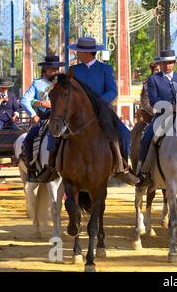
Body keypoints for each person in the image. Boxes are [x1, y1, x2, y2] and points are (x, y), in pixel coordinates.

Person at [36, 37, 139, 185]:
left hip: (102, 111)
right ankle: (51, 167)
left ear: (87, 53)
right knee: (55, 132)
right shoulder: (73, 70)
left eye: (79, 51)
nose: (77, 54)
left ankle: (123, 168)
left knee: (124, 133)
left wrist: (99, 103)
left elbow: (112, 91)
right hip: (76, 114)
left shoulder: (105, 69)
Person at [136, 49, 177, 183]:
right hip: (162, 117)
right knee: (146, 138)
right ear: (160, 63)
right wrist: (172, 107)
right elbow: (154, 101)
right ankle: (143, 171)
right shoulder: (153, 79)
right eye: (165, 63)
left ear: (175, 63)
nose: (167, 66)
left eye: (170, 63)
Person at [20, 55, 64, 182]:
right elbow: (24, 100)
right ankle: (32, 170)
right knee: (29, 139)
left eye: (57, 69)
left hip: (62, 118)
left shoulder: (63, 83)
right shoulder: (37, 83)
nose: (55, 72)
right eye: (52, 69)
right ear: (45, 70)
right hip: (45, 118)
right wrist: (34, 114)